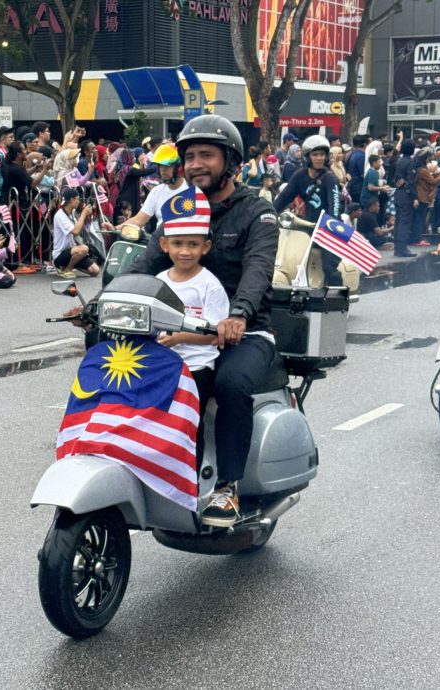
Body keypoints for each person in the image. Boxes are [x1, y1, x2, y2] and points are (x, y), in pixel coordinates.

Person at [131, 114, 279, 526]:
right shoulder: (179, 208)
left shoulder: (256, 210)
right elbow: (147, 263)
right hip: (184, 330)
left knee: (230, 383)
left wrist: (238, 314)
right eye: (190, 156)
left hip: (245, 331)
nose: (196, 164)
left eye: (207, 155)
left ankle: (228, 488)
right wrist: (103, 304)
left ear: (229, 161)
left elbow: (258, 268)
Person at [156, 186, 230, 466]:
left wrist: (179, 338)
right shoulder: (160, 280)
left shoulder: (209, 284)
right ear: (165, 245)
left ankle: (192, 481)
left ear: (205, 247)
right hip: (164, 364)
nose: (185, 251)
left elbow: (214, 334)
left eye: (193, 244)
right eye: (177, 244)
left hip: (197, 368)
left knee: (189, 426)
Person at [274, 135, 343, 286]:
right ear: (307, 157)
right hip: (309, 227)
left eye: (322, 154)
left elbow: (335, 210)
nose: (319, 158)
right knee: (291, 256)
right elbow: (282, 199)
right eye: (315, 154)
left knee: (328, 265)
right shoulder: (299, 176)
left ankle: (337, 294)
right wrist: (268, 214)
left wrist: (328, 228)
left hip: (330, 229)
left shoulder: (330, 179)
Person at [104, 144, 188, 232]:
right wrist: (114, 228)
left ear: (179, 167)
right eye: (160, 165)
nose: (163, 170)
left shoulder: (192, 189)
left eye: (168, 166)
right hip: (160, 242)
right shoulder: (156, 192)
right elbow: (138, 220)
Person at [52, 188, 101, 278]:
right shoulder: (60, 215)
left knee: (95, 271)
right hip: (60, 254)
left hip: (73, 251)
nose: (79, 202)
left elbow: (78, 229)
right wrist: (83, 214)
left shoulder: (71, 213)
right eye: (77, 199)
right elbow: (75, 232)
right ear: (72, 200)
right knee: (84, 249)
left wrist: (85, 215)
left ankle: (68, 265)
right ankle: (67, 269)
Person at [411, 148, 440, 245]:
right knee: (421, 218)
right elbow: (433, 182)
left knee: (423, 218)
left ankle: (419, 237)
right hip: (424, 196)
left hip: (427, 196)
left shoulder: (421, 169)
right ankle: (418, 239)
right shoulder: (423, 170)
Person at [393, 138, 419, 257]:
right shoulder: (410, 162)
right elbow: (412, 181)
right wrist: (415, 197)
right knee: (405, 222)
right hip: (406, 195)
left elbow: (396, 178)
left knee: (398, 222)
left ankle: (397, 247)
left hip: (398, 193)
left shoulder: (399, 160)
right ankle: (402, 248)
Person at [345, 134, 368, 203]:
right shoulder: (361, 155)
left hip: (351, 185)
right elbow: (363, 173)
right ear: (364, 144)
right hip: (358, 187)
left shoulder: (349, 153)